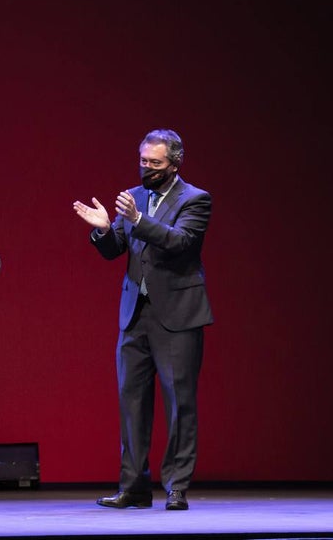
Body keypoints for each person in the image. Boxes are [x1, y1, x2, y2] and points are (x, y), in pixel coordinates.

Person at [72, 128, 214, 512]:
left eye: (155, 163)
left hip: (178, 316)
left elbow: (180, 242)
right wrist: (105, 230)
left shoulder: (195, 199)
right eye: (143, 161)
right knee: (131, 402)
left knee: (179, 403)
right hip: (135, 314)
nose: (147, 168)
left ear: (174, 164)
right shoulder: (133, 197)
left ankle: (176, 487)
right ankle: (133, 486)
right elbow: (116, 249)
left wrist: (138, 220)